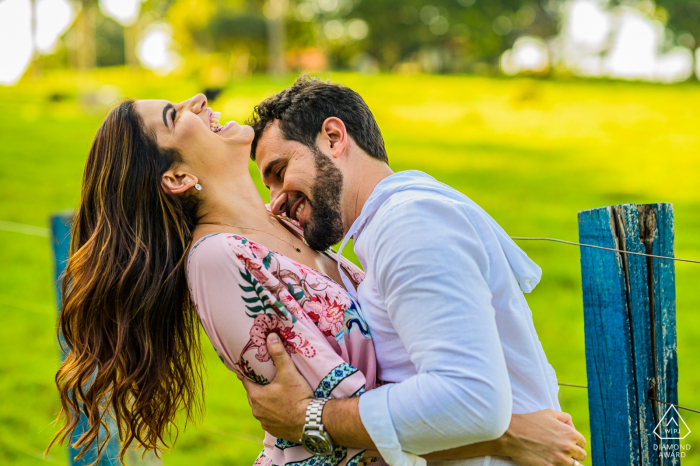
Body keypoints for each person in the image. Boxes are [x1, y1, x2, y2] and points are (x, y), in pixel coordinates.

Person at [49, 90, 584, 466]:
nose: (199, 101)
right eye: (173, 115)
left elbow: (340, 405)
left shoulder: (292, 226)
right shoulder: (219, 259)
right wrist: (509, 435)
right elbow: (326, 426)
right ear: (178, 176)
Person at [241, 76, 587, 466]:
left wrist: (308, 417)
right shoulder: (384, 231)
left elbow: (469, 399)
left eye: (280, 170)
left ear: (334, 138)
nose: (275, 203)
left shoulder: (408, 224)